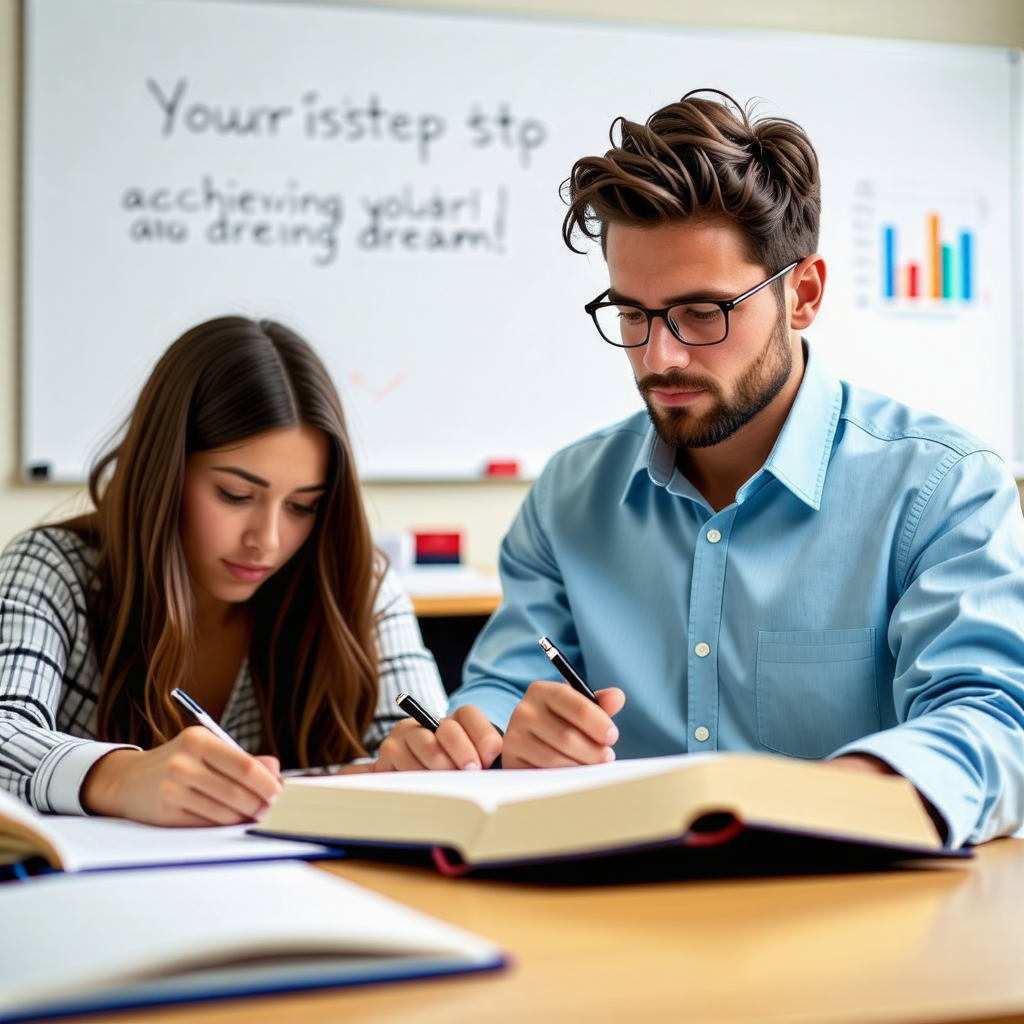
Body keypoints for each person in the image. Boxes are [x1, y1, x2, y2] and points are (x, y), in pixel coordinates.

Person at [377, 90, 1024, 849]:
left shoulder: (940, 489)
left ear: (803, 294)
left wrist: (785, 802)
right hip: (615, 921)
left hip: (855, 919)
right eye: (632, 315)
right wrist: (484, 742)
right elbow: (498, 691)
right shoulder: (568, 497)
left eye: (702, 313)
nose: (660, 357)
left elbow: (992, 725)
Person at [0, 317, 447, 825]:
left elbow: (417, 739)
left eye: (302, 506)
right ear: (165, 471)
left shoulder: (357, 584)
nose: (269, 541)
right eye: (236, 496)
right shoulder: (52, 570)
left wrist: (429, 754)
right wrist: (118, 775)